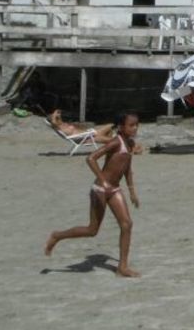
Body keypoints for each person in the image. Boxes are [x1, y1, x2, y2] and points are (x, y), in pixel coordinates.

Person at [45, 112, 142, 278]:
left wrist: (132, 191)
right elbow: (91, 158)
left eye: (136, 125)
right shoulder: (114, 142)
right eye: (131, 125)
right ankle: (57, 235)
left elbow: (127, 168)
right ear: (121, 127)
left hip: (114, 190)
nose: (135, 128)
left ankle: (122, 267)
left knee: (127, 224)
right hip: (100, 189)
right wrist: (103, 180)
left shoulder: (130, 143)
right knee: (92, 230)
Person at [48, 108, 118, 144]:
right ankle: (113, 146)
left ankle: (110, 147)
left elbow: (57, 119)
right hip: (87, 137)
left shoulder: (62, 124)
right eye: (57, 118)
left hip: (88, 134)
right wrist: (54, 113)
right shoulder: (58, 127)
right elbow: (53, 121)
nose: (59, 118)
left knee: (110, 127)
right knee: (111, 128)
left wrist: (57, 113)